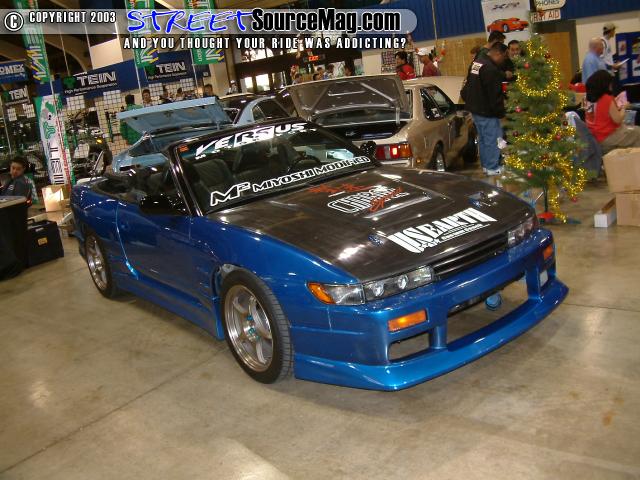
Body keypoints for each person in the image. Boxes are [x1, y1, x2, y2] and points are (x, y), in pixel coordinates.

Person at [461, 42, 508, 176]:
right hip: (487, 111)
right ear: (498, 54)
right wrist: (500, 113)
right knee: (493, 138)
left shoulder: (477, 63)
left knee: (483, 138)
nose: (504, 60)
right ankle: (492, 167)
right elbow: (494, 95)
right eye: (504, 57)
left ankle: (486, 166)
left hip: (475, 109)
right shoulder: (491, 69)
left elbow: (469, 85)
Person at [585, 70, 640, 152]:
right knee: (637, 131)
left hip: (594, 136)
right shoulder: (607, 98)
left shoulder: (588, 97)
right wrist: (624, 107)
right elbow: (618, 119)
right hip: (606, 137)